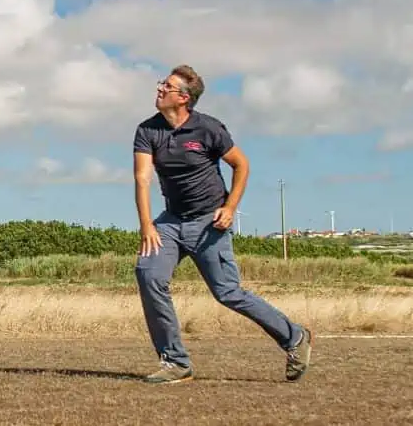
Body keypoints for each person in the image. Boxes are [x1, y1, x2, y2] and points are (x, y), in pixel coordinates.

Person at [132, 64, 313, 383]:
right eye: (162, 83)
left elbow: (241, 165)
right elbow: (142, 177)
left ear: (184, 98)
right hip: (170, 223)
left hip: (208, 222)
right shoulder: (147, 130)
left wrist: (230, 207)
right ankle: (175, 361)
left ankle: (294, 337)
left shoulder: (209, 129)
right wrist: (147, 225)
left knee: (227, 292)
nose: (160, 88)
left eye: (167, 86)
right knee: (148, 275)